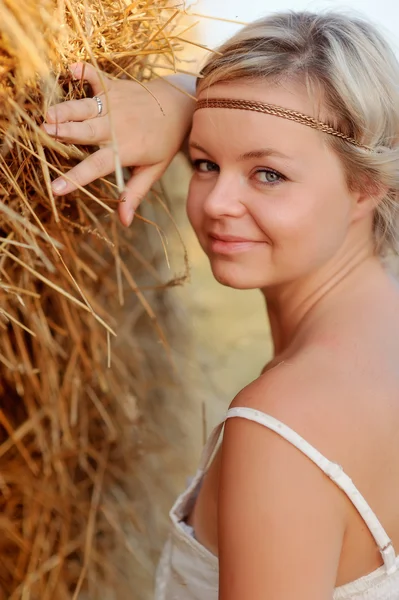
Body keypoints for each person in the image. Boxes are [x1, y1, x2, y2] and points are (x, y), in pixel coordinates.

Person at [43, 10, 399, 599]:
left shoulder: (281, 429)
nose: (216, 204)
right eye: (205, 162)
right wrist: (177, 98)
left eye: (267, 175)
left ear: (367, 185)